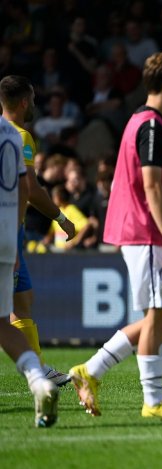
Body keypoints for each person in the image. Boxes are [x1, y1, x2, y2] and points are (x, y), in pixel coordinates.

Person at [68, 51, 162, 419]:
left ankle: (90, 371)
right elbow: (151, 185)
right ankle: (153, 402)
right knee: (157, 315)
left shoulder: (142, 121)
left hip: (141, 232)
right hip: (147, 232)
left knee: (160, 317)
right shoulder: (152, 126)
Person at [0, 75, 75, 386]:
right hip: (8, 228)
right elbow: (29, 189)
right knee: (10, 309)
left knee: (23, 299)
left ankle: (39, 369)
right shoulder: (19, 136)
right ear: (22, 102)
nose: (34, 105)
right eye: (31, 99)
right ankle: (37, 371)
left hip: (10, 228)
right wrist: (60, 216)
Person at [0, 113, 59, 428]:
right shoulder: (12, 135)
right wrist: (14, 235)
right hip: (7, 236)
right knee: (3, 321)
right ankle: (39, 380)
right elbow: (25, 189)